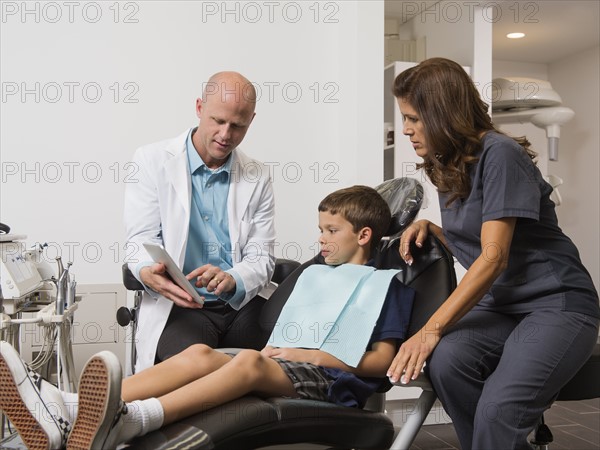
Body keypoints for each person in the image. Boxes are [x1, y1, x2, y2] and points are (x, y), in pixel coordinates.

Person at [0, 185, 415, 449]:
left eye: (330, 231)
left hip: (334, 383)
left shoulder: (386, 287)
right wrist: (284, 350)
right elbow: (292, 331)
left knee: (248, 360)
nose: (320, 239)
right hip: (290, 364)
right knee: (200, 352)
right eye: (319, 229)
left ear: (363, 236)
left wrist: (309, 356)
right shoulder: (318, 278)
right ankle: (71, 408)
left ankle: (136, 419)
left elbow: (382, 362)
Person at [386, 57, 600, 450]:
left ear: (442, 114)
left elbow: (495, 256)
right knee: (447, 364)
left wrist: (430, 329)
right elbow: (481, 238)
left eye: (414, 118)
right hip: (501, 305)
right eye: (404, 118)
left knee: (498, 411)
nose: (406, 129)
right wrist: (435, 229)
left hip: (556, 303)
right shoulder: (445, 164)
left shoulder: (500, 154)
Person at [124, 71, 276, 372]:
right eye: (218, 121)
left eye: (238, 126)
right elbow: (139, 240)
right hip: (183, 306)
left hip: (239, 305)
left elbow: (262, 257)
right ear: (199, 108)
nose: (226, 134)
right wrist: (145, 269)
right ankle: (120, 406)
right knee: (195, 367)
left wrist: (234, 277)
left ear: (251, 121)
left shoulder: (258, 175)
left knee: (286, 359)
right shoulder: (151, 161)